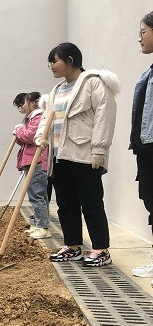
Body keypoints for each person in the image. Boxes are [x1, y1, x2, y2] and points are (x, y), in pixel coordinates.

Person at [35, 42, 120, 267]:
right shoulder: (55, 91)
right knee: (66, 204)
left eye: (55, 60)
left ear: (70, 60)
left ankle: (101, 249)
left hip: (84, 155)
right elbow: (47, 117)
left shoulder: (94, 83)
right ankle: (72, 246)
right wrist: (40, 138)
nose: (51, 65)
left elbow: (105, 117)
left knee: (91, 203)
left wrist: (100, 150)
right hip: (59, 157)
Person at [129, 12, 153, 280]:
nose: (139, 38)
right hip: (145, 148)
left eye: (144, 31)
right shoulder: (148, 73)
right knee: (150, 202)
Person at [14, 92, 50, 239]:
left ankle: (43, 227)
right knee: (38, 193)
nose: (23, 107)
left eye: (24, 103)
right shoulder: (32, 118)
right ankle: (40, 224)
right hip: (31, 159)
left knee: (36, 193)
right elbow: (25, 139)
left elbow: (29, 136)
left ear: (34, 103)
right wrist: (20, 132)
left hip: (37, 160)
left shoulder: (38, 116)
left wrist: (19, 130)